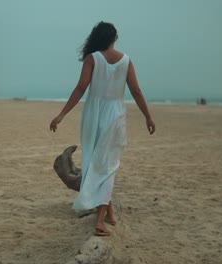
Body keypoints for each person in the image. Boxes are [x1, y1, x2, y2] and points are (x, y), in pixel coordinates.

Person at [49, 21, 155, 236]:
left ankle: (104, 217)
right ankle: (104, 218)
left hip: (94, 114)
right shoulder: (126, 61)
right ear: (114, 38)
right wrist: (148, 117)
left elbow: (80, 88)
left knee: (98, 163)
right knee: (107, 165)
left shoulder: (93, 58)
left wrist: (62, 114)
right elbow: (136, 91)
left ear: (97, 38)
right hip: (116, 115)